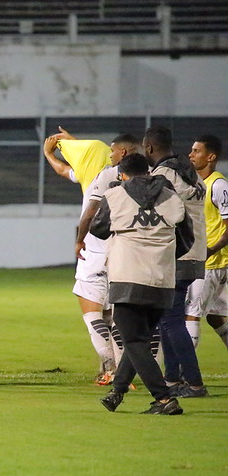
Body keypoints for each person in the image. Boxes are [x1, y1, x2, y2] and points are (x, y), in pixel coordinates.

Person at [94, 153, 193, 414]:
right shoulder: (171, 196)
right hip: (163, 280)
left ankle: (164, 399)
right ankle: (117, 392)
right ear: (147, 172)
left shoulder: (115, 196)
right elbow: (187, 237)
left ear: (122, 175)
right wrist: (162, 255)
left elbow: (98, 228)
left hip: (127, 278)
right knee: (136, 340)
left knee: (134, 341)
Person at [44, 129, 138, 384]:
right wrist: (73, 143)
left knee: (91, 310)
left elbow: (67, 173)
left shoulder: (103, 173)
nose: (108, 154)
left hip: (96, 246)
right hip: (129, 250)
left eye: (112, 150)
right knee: (117, 314)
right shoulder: (149, 176)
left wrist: (48, 153)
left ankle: (110, 367)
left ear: (122, 152)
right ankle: (123, 371)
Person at [144, 126, 208, 397]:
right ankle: (172, 379)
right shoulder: (190, 172)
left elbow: (158, 213)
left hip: (177, 252)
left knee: (170, 320)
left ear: (149, 148)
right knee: (167, 318)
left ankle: (194, 384)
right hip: (196, 252)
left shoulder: (163, 175)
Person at [182, 135, 228, 393]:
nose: (191, 155)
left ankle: (186, 379)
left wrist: (209, 250)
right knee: (218, 319)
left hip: (211, 264)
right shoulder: (201, 183)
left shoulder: (219, 185)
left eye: (196, 151)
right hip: (212, 262)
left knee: (191, 315)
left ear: (210, 157)